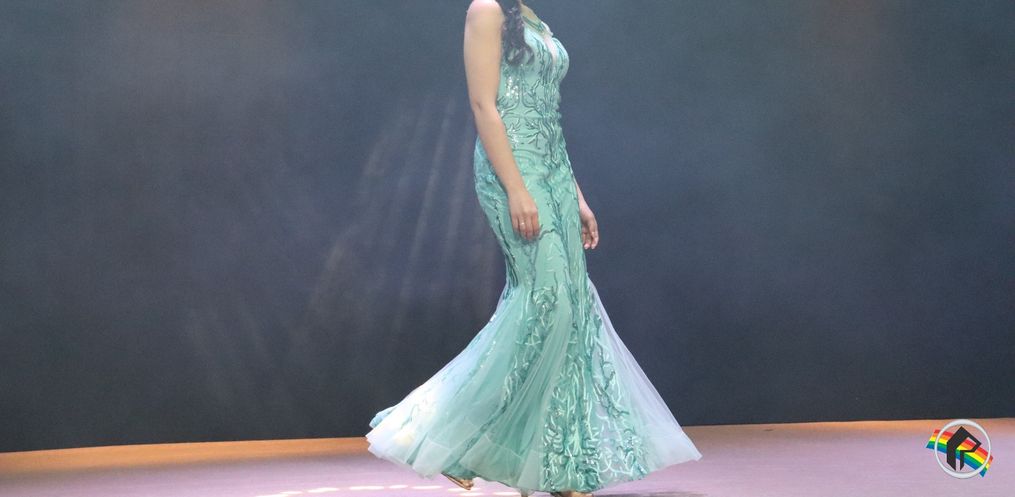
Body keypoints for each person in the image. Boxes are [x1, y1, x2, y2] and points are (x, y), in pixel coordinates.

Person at [365, 1, 703, 496]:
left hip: (553, 171)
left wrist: (577, 195)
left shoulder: (532, 16)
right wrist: (516, 188)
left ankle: (552, 464)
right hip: (512, 169)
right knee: (549, 302)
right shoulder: (486, 9)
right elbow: (484, 105)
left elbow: (548, 115)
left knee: (570, 311)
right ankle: (447, 436)